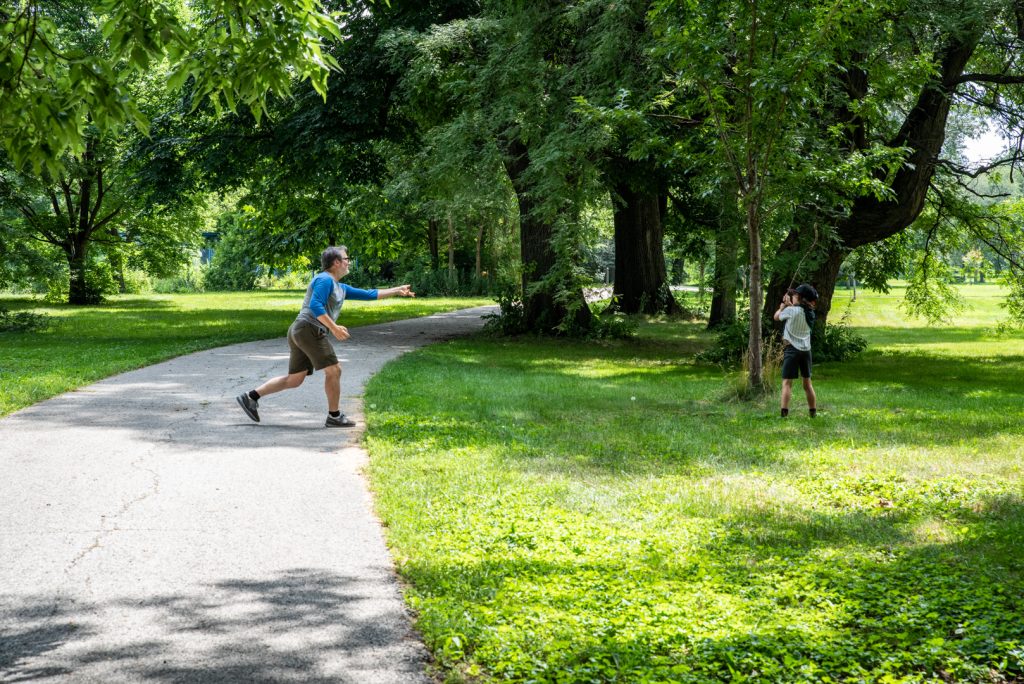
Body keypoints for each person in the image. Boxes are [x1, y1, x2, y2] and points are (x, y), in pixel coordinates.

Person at [236, 246, 415, 428]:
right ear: (336, 262)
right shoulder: (324, 280)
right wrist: (334, 328)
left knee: (295, 379)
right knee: (334, 370)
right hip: (309, 329)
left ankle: (251, 397)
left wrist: (397, 290)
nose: (349, 262)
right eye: (346, 258)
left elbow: (369, 294)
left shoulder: (339, 287)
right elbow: (316, 305)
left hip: (301, 330)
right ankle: (334, 416)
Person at [773, 283, 818, 418]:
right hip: (806, 351)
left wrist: (782, 307)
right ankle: (813, 412)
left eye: (794, 295)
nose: (792, 296)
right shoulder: (810, 313)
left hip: (791, 350)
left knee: (787, 383)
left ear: (799, 297)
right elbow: (798, 312)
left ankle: (784, 413)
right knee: (807, 384)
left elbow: (776, 317)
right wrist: (789, 306)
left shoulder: (790, 311)